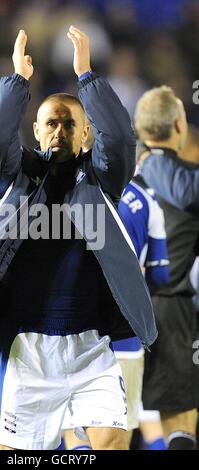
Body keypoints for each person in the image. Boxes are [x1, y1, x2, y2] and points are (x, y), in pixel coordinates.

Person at [0, 26, 157, 451]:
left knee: (114, 441)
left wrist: (88, 78)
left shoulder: (101, 180)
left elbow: (120, 139)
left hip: (89, 346)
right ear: (37, 132)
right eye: (50, 124)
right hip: (29, 348)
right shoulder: (16, 178)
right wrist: (17, 83)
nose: (58, 131)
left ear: (84, 135)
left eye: (69, 124)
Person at [63, 125, 169, 451]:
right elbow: (161, 277)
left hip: (74, 336)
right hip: (126, 336)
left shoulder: (65, 194)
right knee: (118, 437)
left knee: (74, 432)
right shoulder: (147, 202)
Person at [135, 87, 199, 450]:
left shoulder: (113, 178)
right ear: (179, 125)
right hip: (173, 312)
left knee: (103, 428)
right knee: (181, 420)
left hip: (117, 314)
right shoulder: (189, 182)